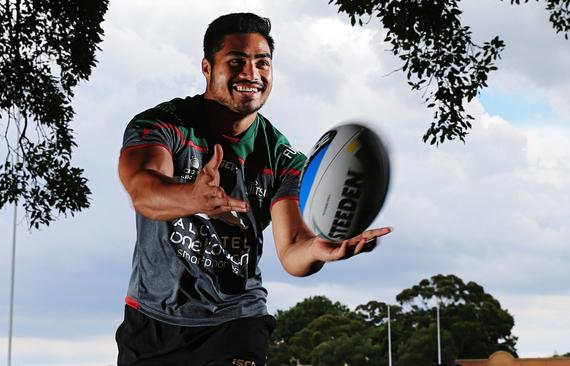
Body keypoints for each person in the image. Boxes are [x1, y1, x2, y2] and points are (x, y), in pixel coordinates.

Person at [116, 12, 391, 366]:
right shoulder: (164, 125)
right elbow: (143, 190)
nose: (251, 73)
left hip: (236, 321)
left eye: (263, 63)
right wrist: (192, 197)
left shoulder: (282, 157)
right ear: (206, 67)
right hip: (153, 322)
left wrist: (319, 250)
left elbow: (292, 250)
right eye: (236, 61)